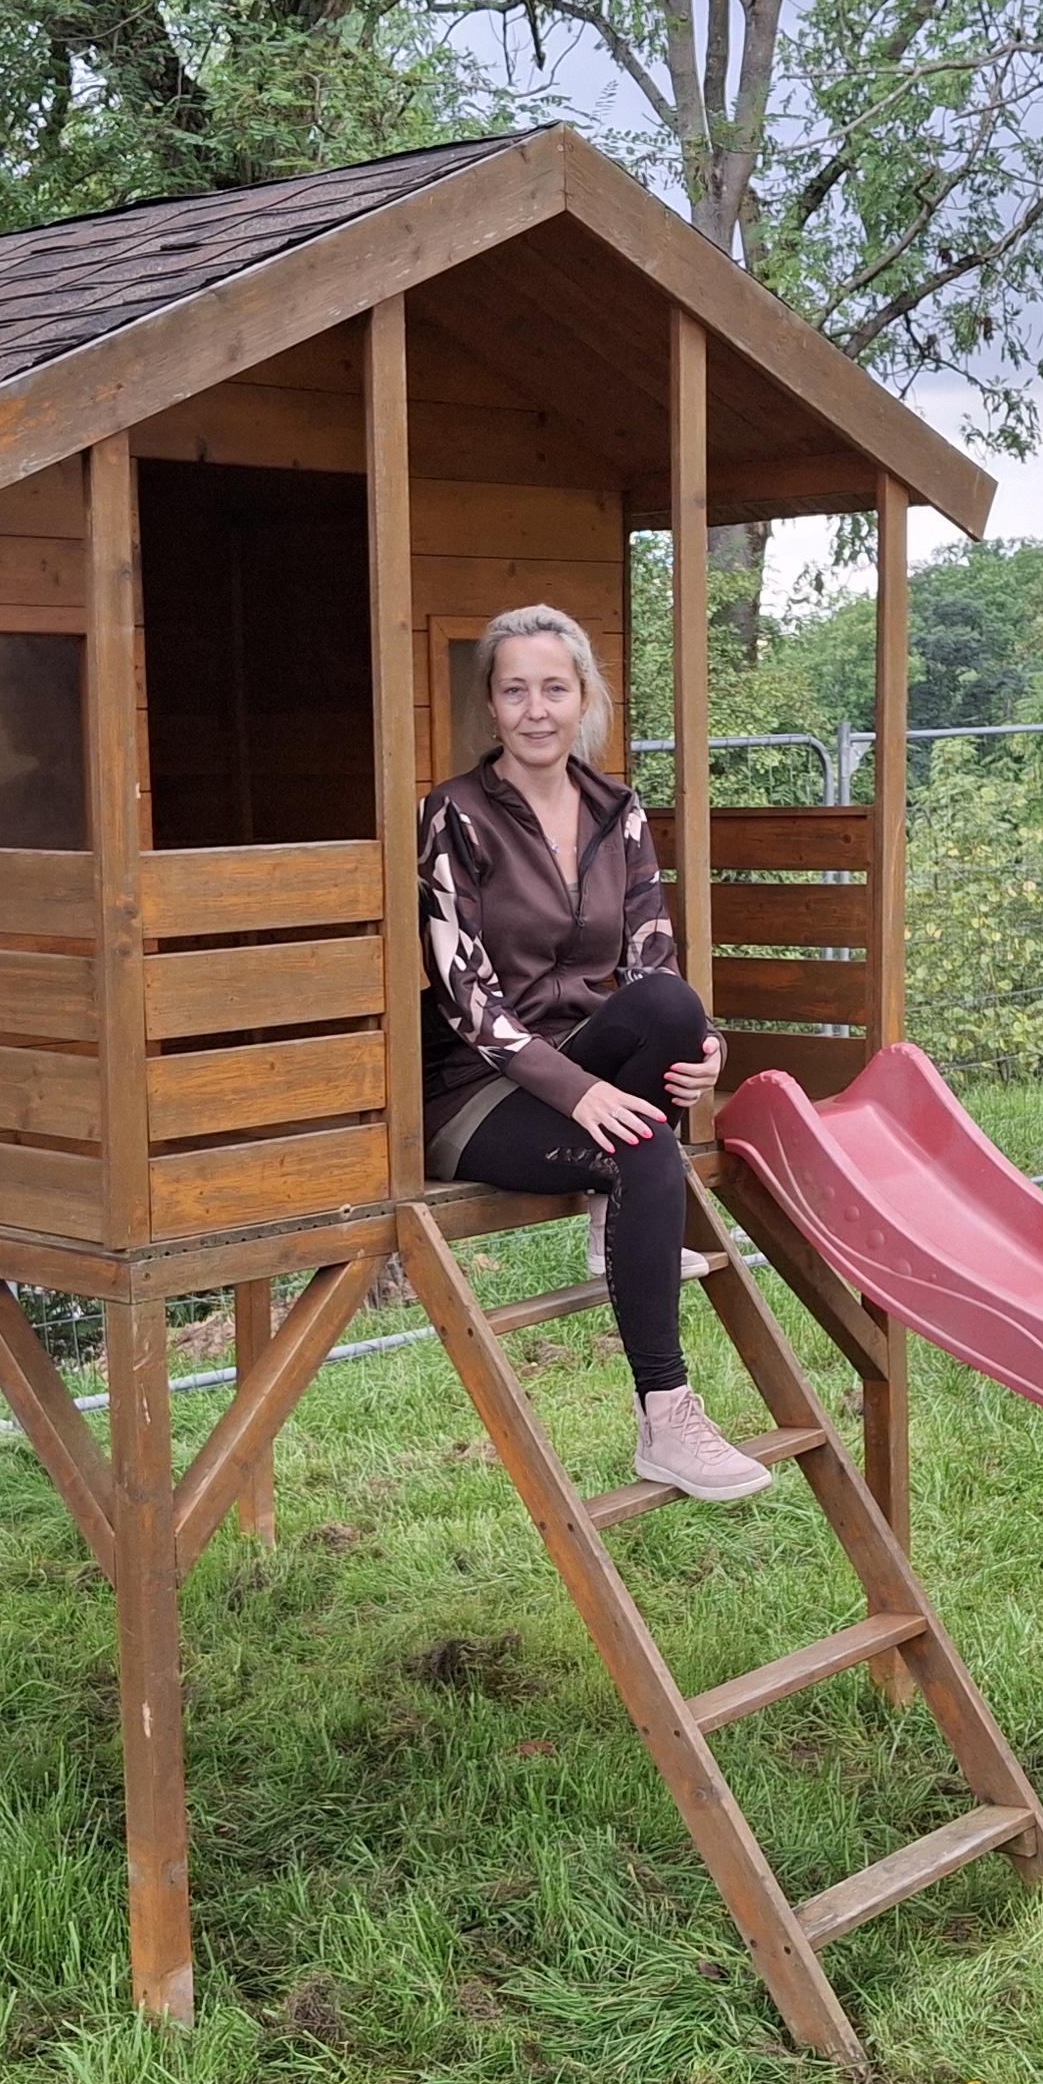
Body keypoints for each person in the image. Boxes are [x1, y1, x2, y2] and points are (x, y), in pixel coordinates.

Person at [419, 603, 777, 1502]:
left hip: (583, 1059)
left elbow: (653, 959)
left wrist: (706, 1050)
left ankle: (608, 1217)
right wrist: (580, 1094)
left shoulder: (618, 810)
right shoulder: (454, 815)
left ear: (584, 697)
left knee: (671, 1005)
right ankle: (667, 1418)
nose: (535, 710)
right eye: (514, 691)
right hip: (477, 1088)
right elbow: (466, 997)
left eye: (553, 688)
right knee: (644, 1147)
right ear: (490, 704)